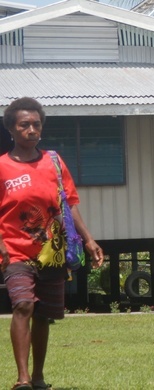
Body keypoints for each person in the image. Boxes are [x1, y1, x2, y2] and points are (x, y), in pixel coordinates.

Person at [0, 97, 104, 390]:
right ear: (11, 129)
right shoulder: (2, 167)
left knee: (44, 315)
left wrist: (89, 239)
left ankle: (38, 377)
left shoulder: (54, 162)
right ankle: (22, 378)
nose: (31, 130)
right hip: (15, 250)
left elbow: (70, 204)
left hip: (53, 252)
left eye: (36, 124)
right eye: (24, 125)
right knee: (22, 305)